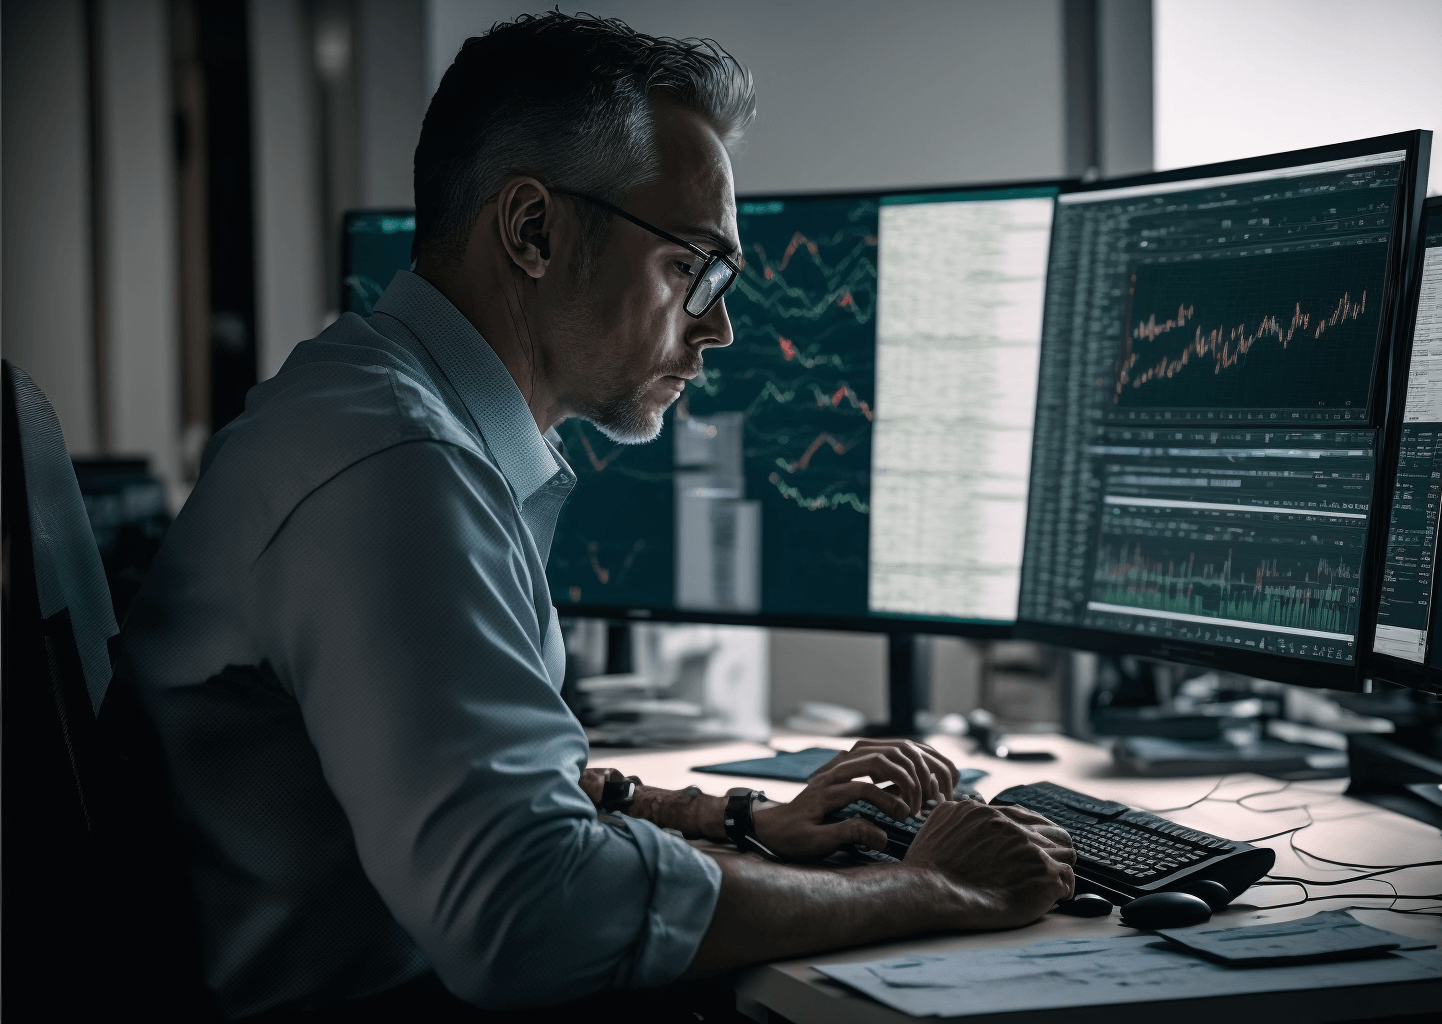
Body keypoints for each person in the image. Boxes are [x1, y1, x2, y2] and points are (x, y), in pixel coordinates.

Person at [114, 12, 1075, 1021]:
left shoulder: (376, 410)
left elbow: (494, 786)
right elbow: (528, 915)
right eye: (690, 266)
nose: (719, 325)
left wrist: (734, 816)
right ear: (533, 231)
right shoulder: (398, 472)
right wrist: (933, 888)